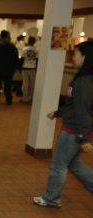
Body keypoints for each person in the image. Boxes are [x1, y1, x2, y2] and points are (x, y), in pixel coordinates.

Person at [33, 41, 93, 208]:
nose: (73, 57)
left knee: (59, 165)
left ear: (85, 56)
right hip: (77, 129)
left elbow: (82, 110)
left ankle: (51, 198)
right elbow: (75, 105)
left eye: (76, 54)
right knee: (74, 164)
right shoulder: (86, 79)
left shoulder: (83, 82)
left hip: (73, 131)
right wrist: (58, 113)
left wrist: (83, 138)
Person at [20, 36, 38, 103]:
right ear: (34, 42)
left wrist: (20, 67)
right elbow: (37, 59)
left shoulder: (25, 49)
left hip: (25, 67)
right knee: (32, 84)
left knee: (25, 84)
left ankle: (25, 98)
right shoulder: (36, 50)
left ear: (28, 41)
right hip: (33, 68)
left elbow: (22, 59)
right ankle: (31, 97)